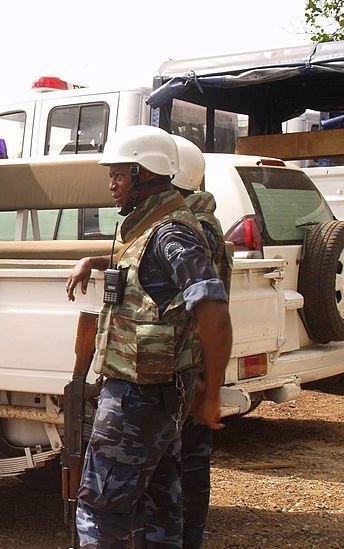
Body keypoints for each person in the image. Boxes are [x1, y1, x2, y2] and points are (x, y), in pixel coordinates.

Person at [65, 126, 232, 548]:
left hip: (137, 397)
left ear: (146, 174)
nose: (112, 184)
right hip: (154, 396)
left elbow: (213, 311)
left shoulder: (170, 233)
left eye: (119, 175)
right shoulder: (151, 228)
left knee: (99, 511)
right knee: (160, 508)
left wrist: (212, 389)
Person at [170, 135, 232, 549]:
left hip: (185, 363)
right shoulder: (205, 222)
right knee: (191, 462)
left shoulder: (187, 228)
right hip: (196, 362)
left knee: (181, 464)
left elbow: (207, 309)